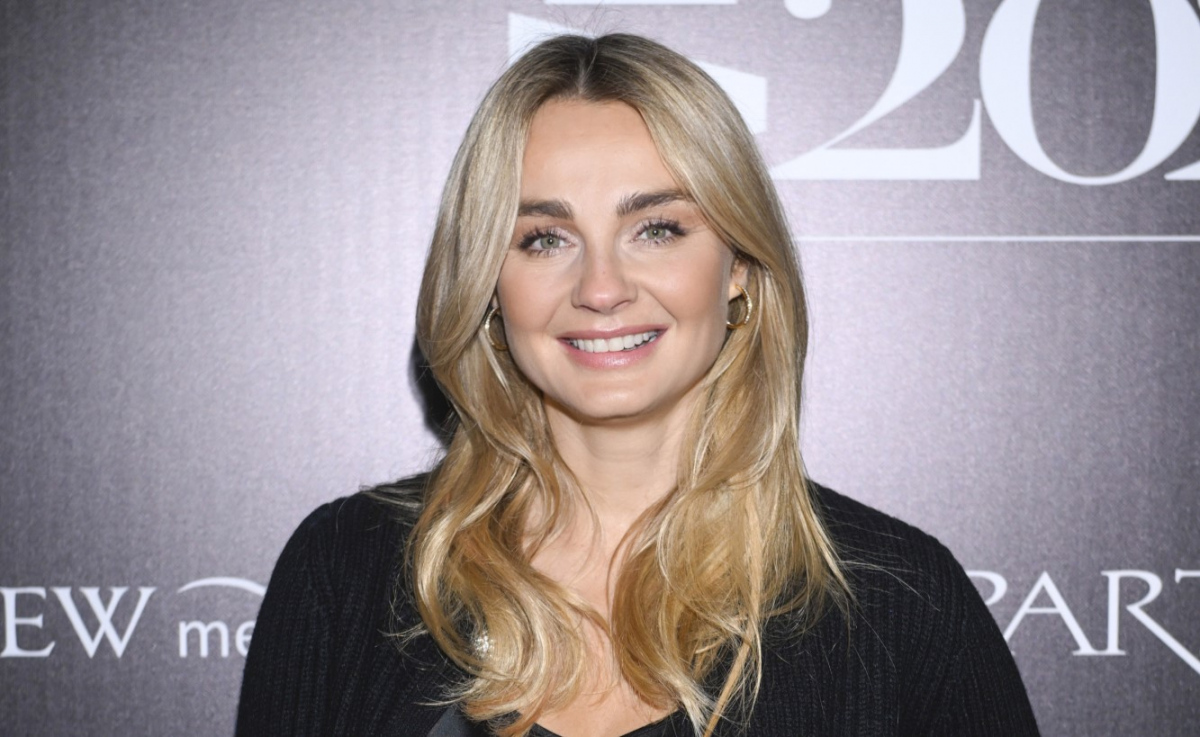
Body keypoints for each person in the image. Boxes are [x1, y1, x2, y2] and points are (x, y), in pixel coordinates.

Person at [236, 33, 1039, 737]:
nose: (601, 288)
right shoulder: (345, 572)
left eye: (656, 228)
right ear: (488, 284)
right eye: (544, 238)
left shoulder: (900, 605)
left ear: (739, 267)